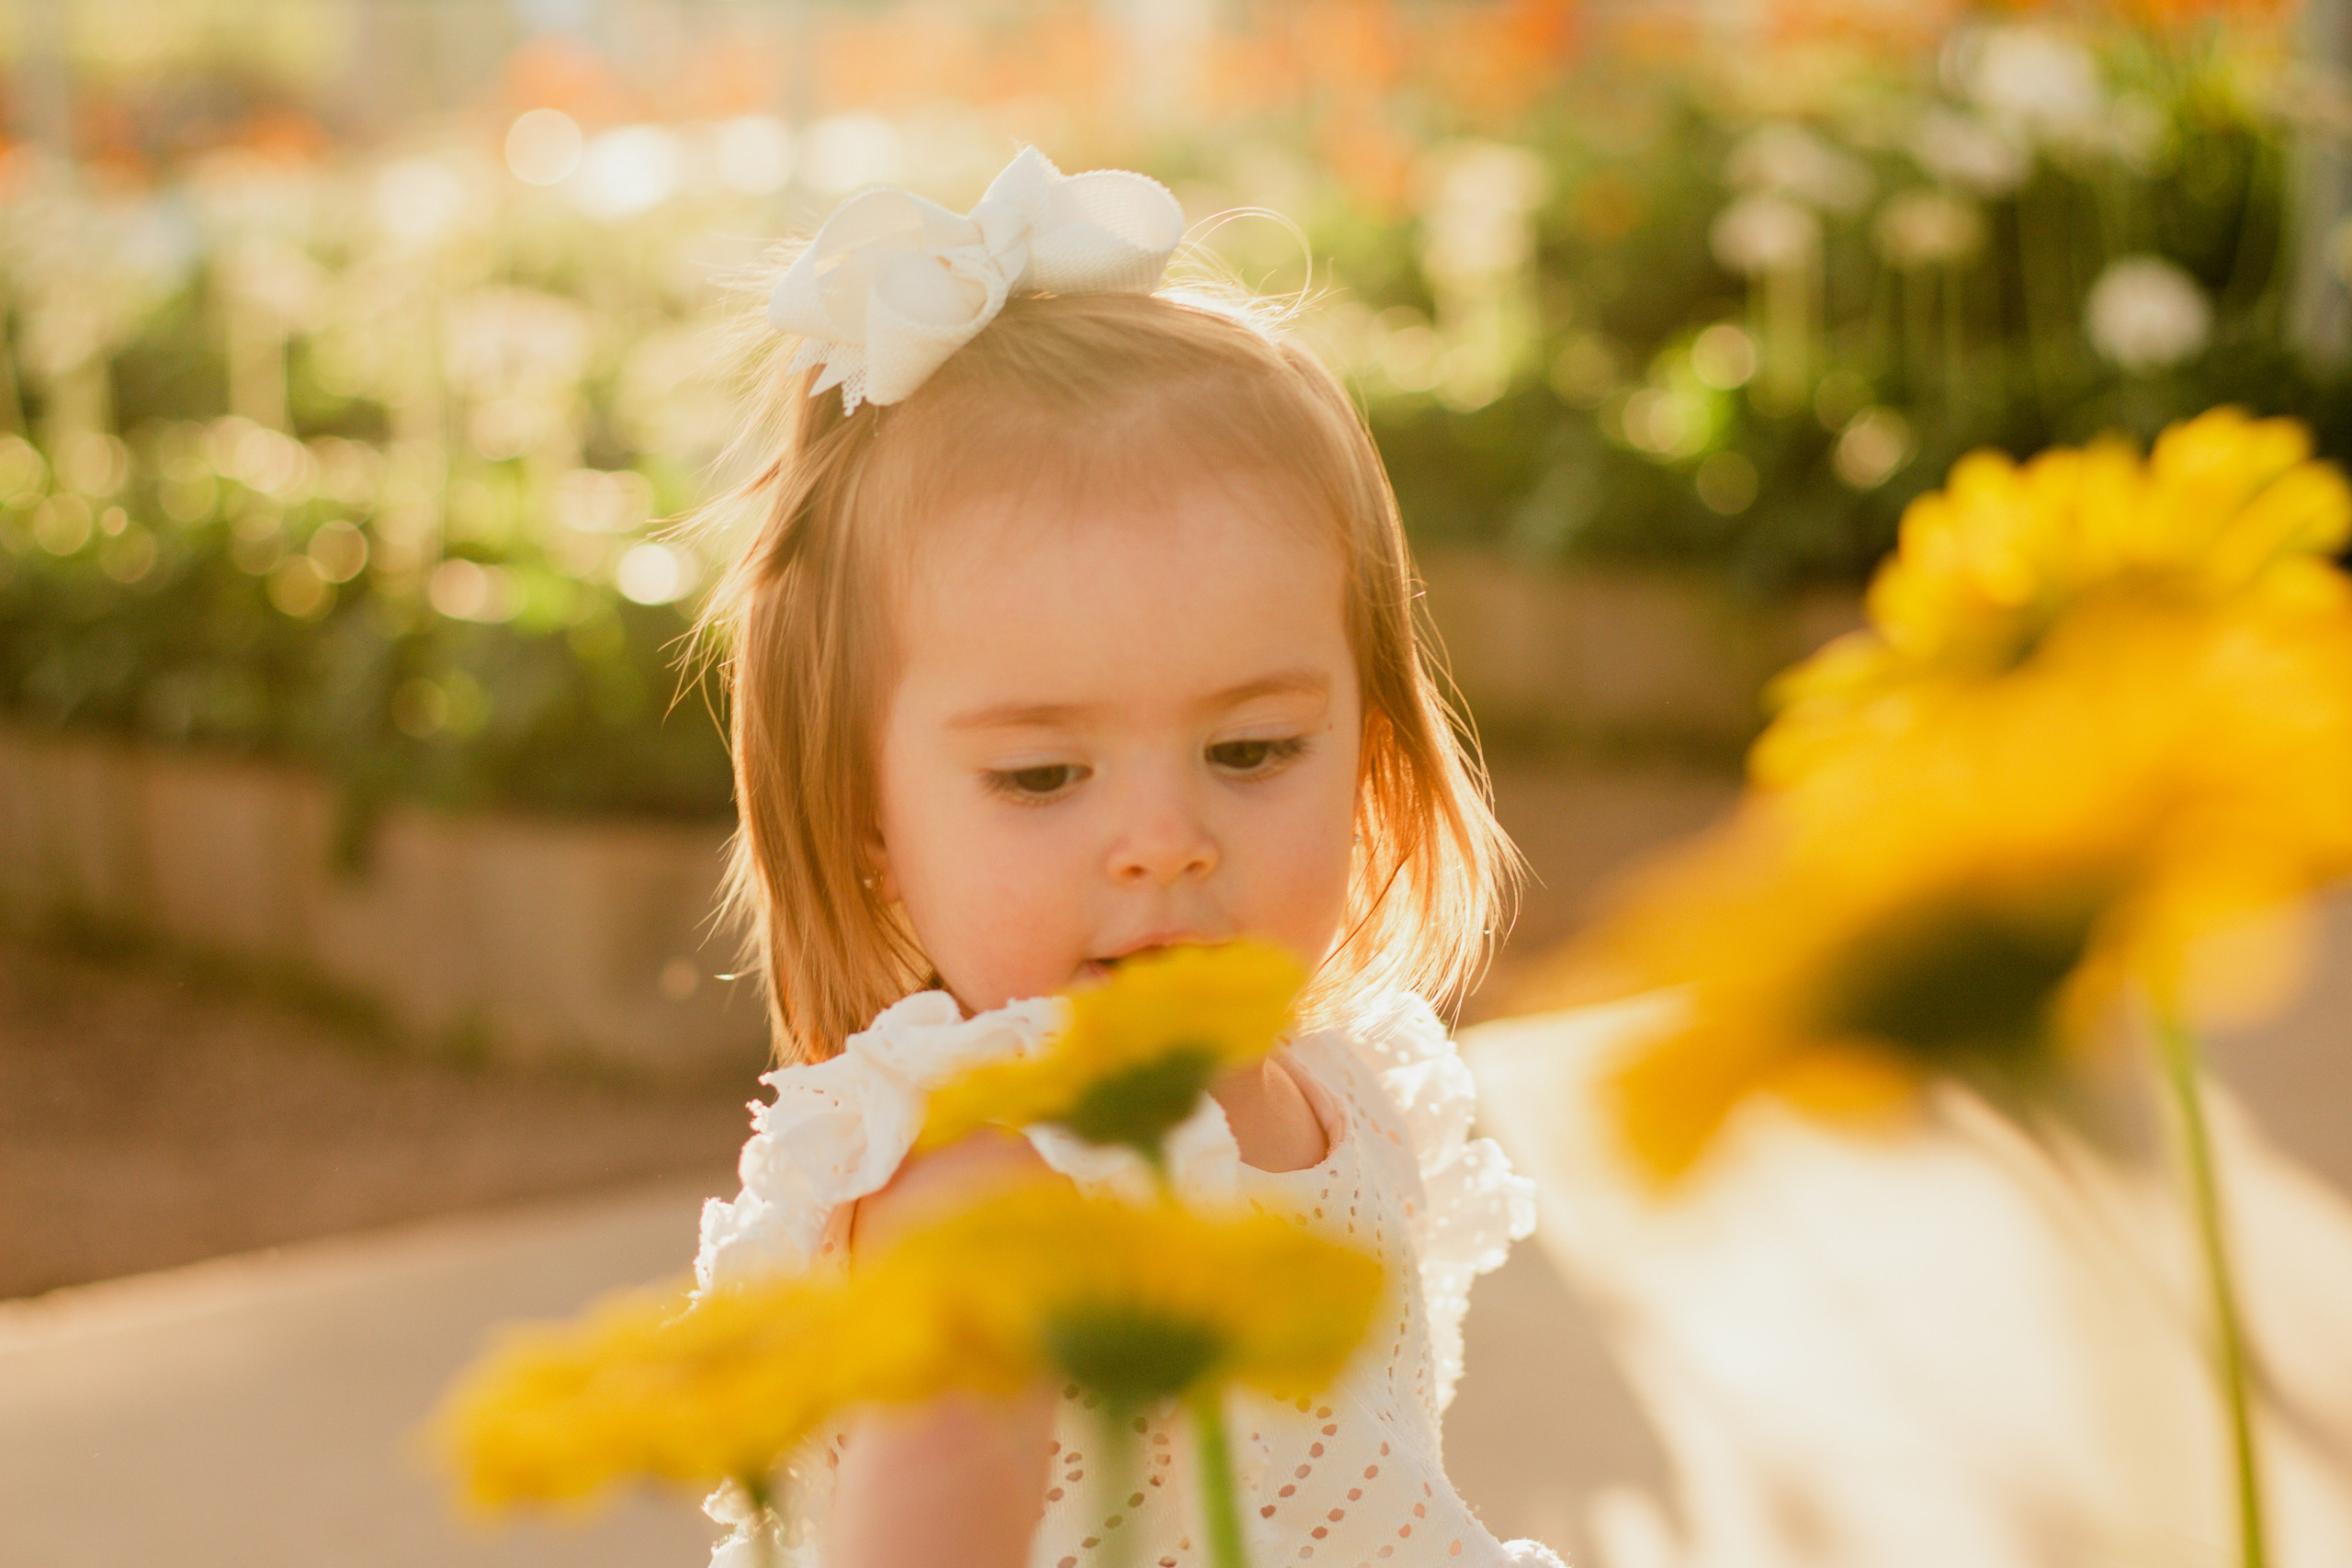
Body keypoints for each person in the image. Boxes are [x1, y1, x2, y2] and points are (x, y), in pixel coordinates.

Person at [689, 145, 1562, 1568]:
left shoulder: (1338, 1098)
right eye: (1044, 775)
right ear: (868, 820)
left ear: (1374, 742)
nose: (1164, 844)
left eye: (1252, 751)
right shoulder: (993, 1191)